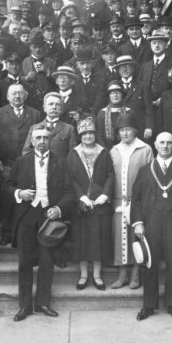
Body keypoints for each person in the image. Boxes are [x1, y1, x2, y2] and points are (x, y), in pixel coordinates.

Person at [5, 125, 74, 321]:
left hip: (49, 217)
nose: (42, 141)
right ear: (32, 141)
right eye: (38, 138)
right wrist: (19, 193)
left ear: (50, 140)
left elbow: (69, 193)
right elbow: (7, 186)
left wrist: (58, 209)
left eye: (45, 138)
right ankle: (24, 306)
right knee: (24, 262)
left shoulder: (60, 162)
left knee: (47, 261)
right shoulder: (22, 161)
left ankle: (43, 303)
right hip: (27, 215)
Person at [131, 132, 172, 321]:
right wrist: (138, 223)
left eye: (168, 143)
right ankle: (148, 305)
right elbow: (136, 199)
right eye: (162, 143)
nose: (165, 146)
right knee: (150, 264)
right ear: (155, 145)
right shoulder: (144, 170)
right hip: (151, 222)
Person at [0, 84, 41, 246]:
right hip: (7, 163)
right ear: (7, 97)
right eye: (13, 94)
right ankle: (6, 233)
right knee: (7, 198)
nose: (17, 96)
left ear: (25, 95)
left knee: (30, 198)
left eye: (20, 93)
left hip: (28, 163)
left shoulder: (35, 113)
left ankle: (26, 235)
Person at [67, 117, 115, 291]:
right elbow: (71, 178)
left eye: (91, 133)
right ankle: (83, 275)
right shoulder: (73, 154)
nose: (88, 136)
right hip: (81, 205)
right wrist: (81, 197)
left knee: (98, 241)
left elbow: (110, 175)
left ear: (95, 134)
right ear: (80, 136)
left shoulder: (104, 152)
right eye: (84, 133)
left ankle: (96, 275)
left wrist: (105, 195)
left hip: (100, 204)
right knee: (82, 241)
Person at [109, 113, 153, 289]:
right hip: (118, 200)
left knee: (137, 235)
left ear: (135, 130)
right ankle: (122, 274)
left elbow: (150, 177)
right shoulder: (114, 150)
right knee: (119, 236)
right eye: (121, 130)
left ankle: (135, 273)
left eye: (128, 129)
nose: (125, 133)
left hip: (138, 200)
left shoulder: (145, 149)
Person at [22, 92, 77, 159]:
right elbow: (26, 152)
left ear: (62, 109)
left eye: (57, 105)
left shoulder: (69, 129)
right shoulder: (34, 128)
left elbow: (72, 155)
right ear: (44, 108)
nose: (54, 107)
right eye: (51, 104)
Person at [115, 55, 154, 143]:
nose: (124, 69)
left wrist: (149, 127)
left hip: (140, 128)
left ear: (133, 68)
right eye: (121, 67)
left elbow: (149, 109)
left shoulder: (142, 86)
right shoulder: (115, 87)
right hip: (121, 130)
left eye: (127, 66)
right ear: (118, 70)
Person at [96, 81, 130, 150]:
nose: (115, 95)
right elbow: (99, 136)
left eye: (118, 92)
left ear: (122, 95)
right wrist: (105, 151)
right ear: (109, 96)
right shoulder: (102, 113)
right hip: (107, 149)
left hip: (127, 148)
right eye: (112, 93)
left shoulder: (129, 112)